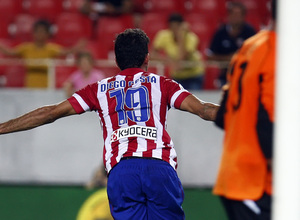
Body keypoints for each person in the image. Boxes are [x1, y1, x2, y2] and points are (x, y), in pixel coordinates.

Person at [0, 28, 219, 219]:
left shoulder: (99, 89)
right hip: (159, 169)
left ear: (116, 61)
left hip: (121, 172)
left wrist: (2, 127)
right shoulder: (163, 85)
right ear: (147, 58)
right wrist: (242, 115)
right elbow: (204, 110)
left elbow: (50, 113)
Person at [213, 0, 276, 219]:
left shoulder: (250, 45)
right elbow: (266, 119)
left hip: (233, 174)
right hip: (257, 182)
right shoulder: (280, 51)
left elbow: (222, 117)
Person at [0, 19, 86, 88]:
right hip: (29, 87)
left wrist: (77, 47)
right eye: (37, 31)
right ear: (33, 33)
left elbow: (66, 52)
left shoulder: (51, 48)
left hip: (46, 87)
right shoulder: (26, 48)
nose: (39, 34)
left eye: (42, 32)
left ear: (47, 34)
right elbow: (10, 53)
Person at [206, 1, 256, 87]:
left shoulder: (250, 32)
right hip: (224, 77)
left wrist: (237, 57)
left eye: (239, 15)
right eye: (234, 14)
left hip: (245, 76)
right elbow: (210, 56)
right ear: (228, 15)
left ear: (243, 16)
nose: (236, 17)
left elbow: (256, 54)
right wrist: (228, 58)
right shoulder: (220, 32)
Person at [151, 13, 205, 90]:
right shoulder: (163, 35)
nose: (174, 30)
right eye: (172, 27)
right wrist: (168, 60)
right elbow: (152, 55)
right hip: (176, 76)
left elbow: (181, 58)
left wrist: (181, 37)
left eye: (177, 27)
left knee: (193, 100)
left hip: (193, 76)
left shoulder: (192, 38)